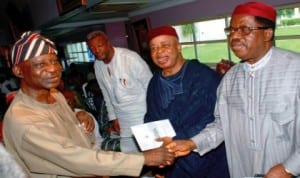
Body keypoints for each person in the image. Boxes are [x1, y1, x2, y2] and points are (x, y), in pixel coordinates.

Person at [3, 31, 174, 178]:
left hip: (141, 116)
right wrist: (144, 159)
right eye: (40, 64)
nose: (53, 69)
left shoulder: (55, 95)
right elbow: (72, 157)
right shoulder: (24, 120)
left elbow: (151, 87)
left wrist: (79, 114)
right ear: (18, 71)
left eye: (54, 61)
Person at [166, 2, 300, 178]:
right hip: (242, 170)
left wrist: (289, 168)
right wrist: (192, 143)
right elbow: (222, 126)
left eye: (245, 29)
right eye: (231, 30)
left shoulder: (295, 70)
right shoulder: (230, 79)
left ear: (268, 34)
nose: (234, 37)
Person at [144, 26, 229, 178]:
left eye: (165, 45)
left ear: (178, 47)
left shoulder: (204, 76)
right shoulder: (154, 83)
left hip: (206, 158)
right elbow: (151, 119)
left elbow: (217, 119)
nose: (159, 52)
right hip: (172, 163)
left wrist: (178, 140)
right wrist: (158, 162)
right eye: (153, 48)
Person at [86, 30, 153, 153]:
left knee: (151, 153)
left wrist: (153, 115)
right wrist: (113, 117)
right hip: (122, 119)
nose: (96, 50)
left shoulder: (130, 58)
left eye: (99, 45)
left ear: (108, 43)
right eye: (92, 48)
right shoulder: (97, 65)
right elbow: (106, 93)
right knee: (129, 155)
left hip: (142, 115)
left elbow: (151, 87)